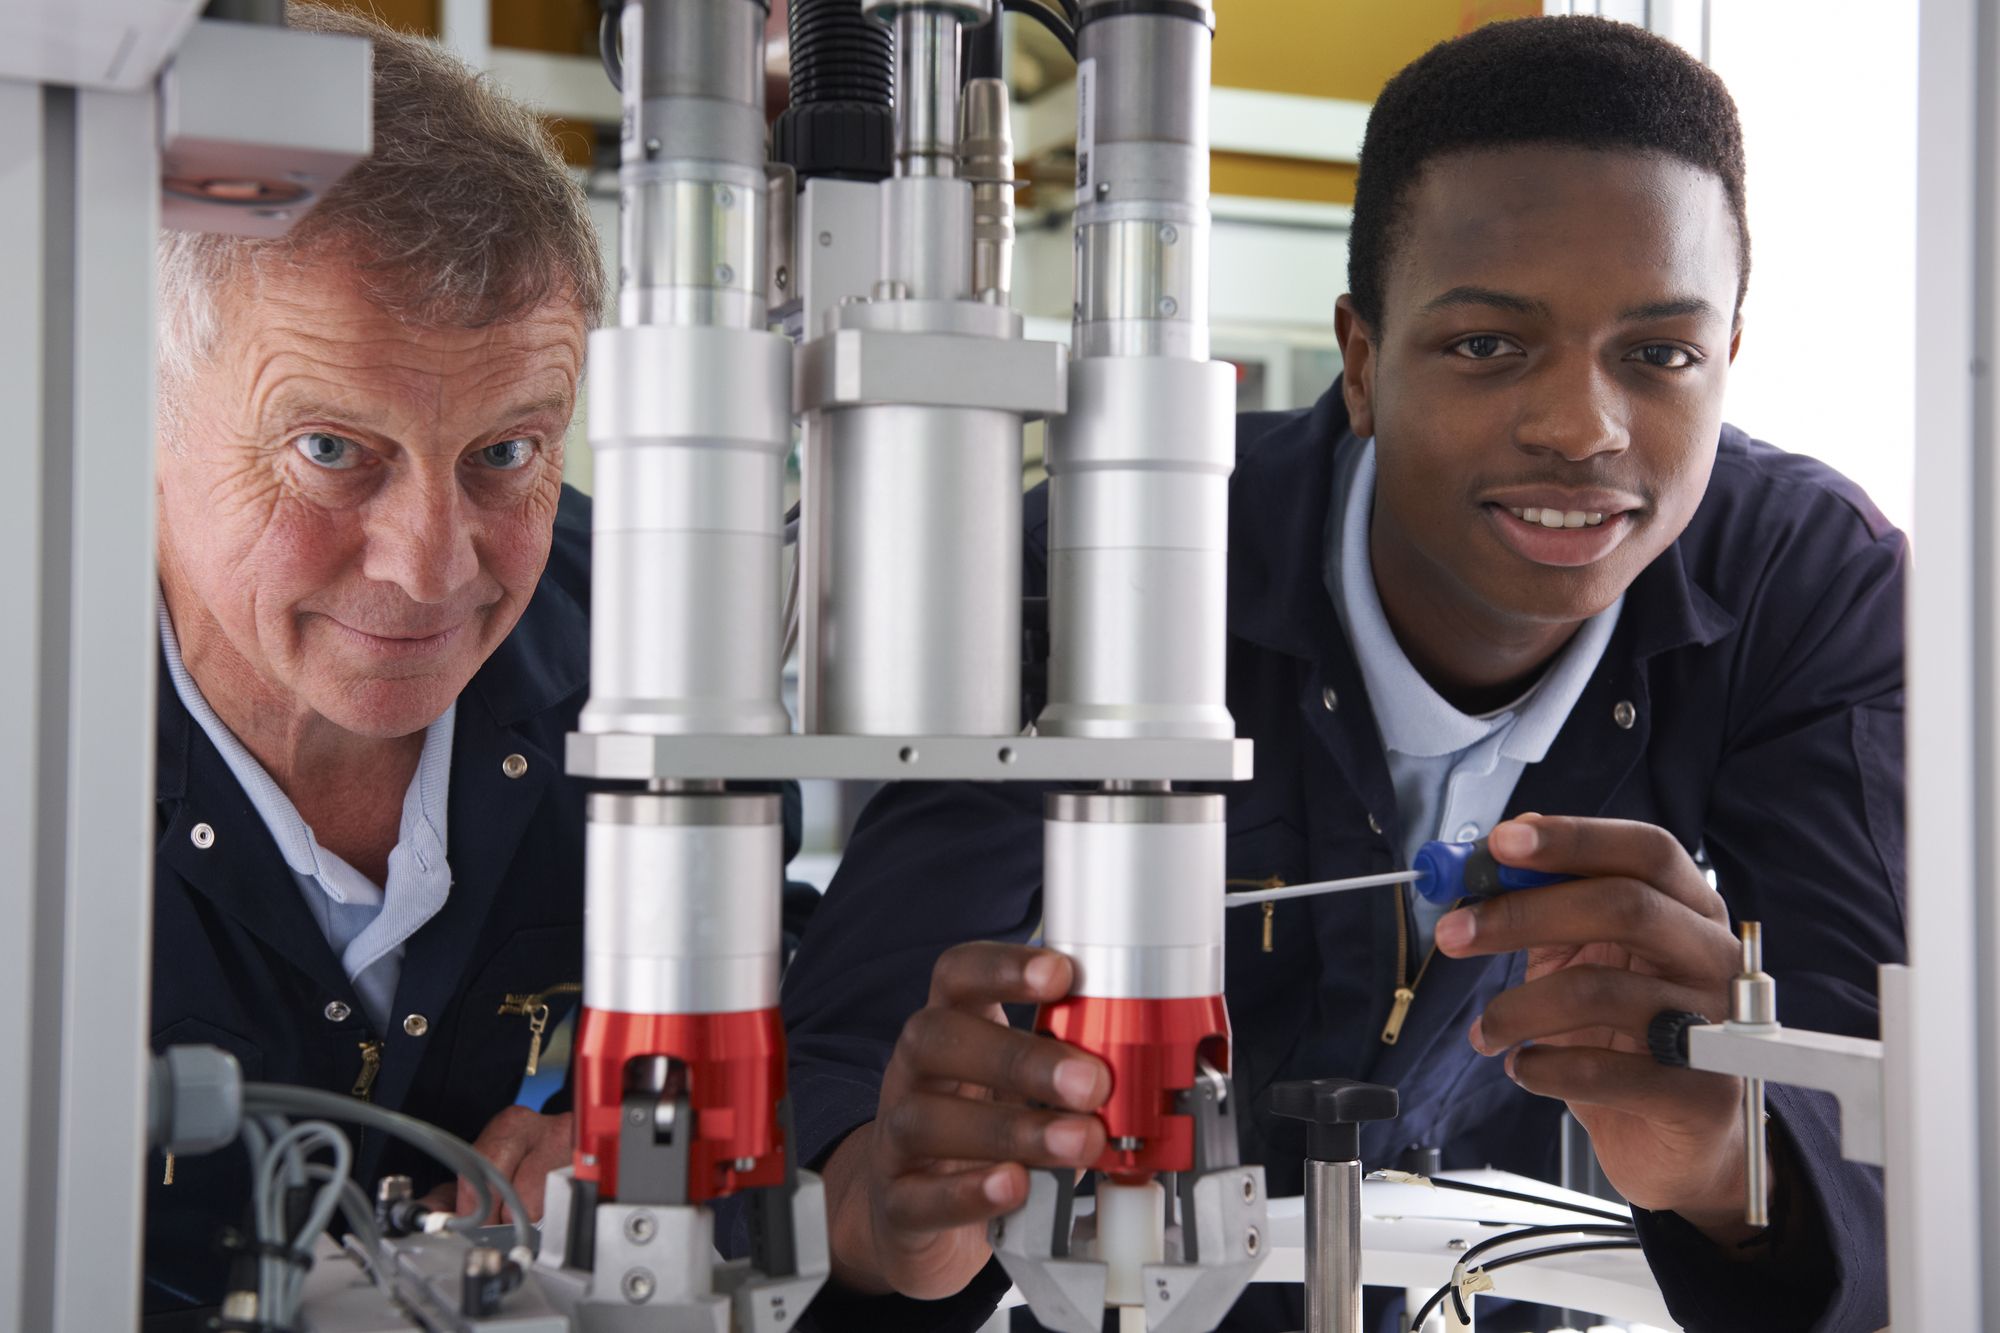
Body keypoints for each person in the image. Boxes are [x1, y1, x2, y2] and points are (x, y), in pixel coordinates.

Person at [775, 16, 1903, 1332]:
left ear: (1727, 358)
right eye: (1488, 344)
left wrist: (1735, 1160)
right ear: (1361, 359)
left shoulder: (1806, 584)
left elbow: (1893, 1120)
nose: (1583, 428)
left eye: (1660, 355)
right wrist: (887, 1207)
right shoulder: (1124, 554)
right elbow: (873, 1037)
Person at [143, 7, 605, 1322]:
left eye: (506, 452)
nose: (433, 567)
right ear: (135, 408)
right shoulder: (34, 704)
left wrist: (619, 1112)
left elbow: (752, 982)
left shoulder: (640, 675)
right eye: (333, 449)